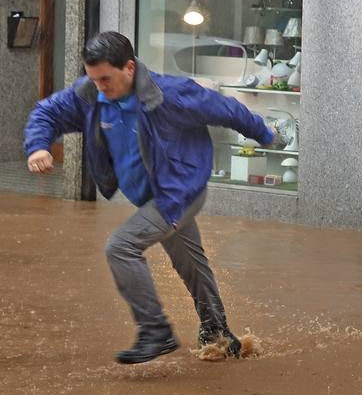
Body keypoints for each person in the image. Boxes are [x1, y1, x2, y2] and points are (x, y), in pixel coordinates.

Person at [24, 31, 276, 365]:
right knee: (190, 263)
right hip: (148, 196)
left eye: (105, 79)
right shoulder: (90, 95)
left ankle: (155, 331)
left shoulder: (170, 95)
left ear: (129, 68)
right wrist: (38, 145)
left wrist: (264, 134)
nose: (99, 86)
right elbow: (47, 113)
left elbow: (227, 109)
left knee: (121, 247)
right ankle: (218, 334)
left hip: (178, 193)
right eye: (93, 78)